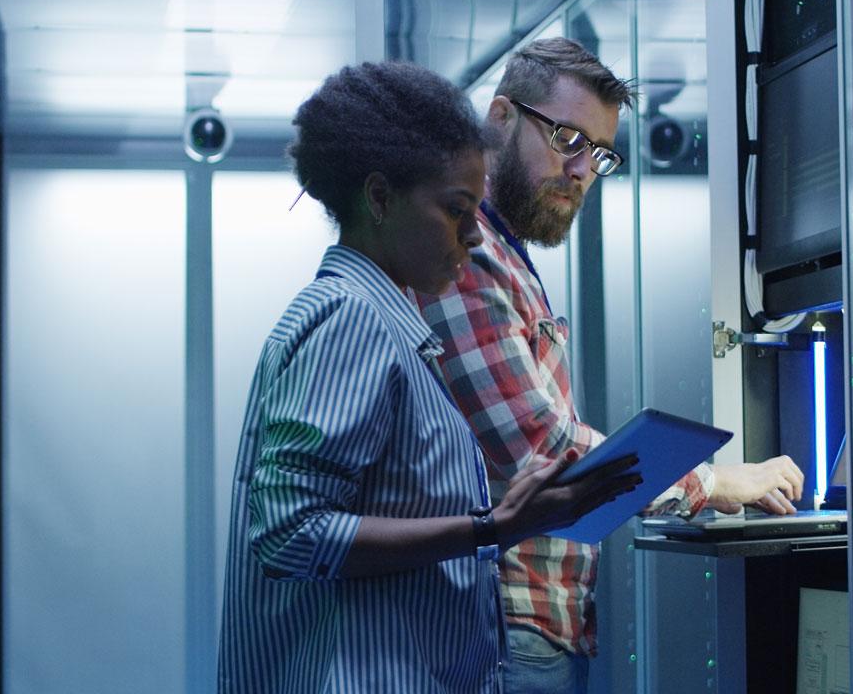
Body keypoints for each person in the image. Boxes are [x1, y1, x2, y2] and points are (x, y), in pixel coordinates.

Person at [216, 60, 641, 694]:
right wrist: (491, 529)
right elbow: (289, 535)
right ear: (381, 199)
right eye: (455, 210)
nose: (474, 236)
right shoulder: (352, 319)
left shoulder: (390, 324)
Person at [415, 37, 805, 693]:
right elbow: (547, 454)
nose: (581, 170)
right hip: (502, 626)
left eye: (598, 154)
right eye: (566, 137)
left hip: (527, 626)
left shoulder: (503, 255)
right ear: (502, 117)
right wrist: (715, 482)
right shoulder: (467, 256)